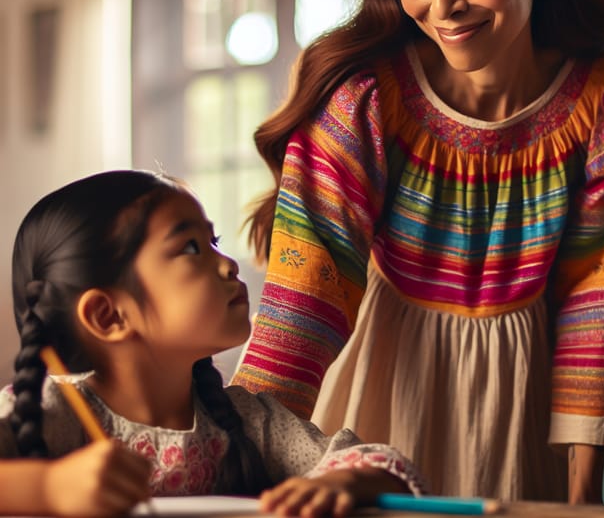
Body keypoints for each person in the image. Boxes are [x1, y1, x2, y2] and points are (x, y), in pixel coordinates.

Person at [232, 0, 604, 505]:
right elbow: (303, 305)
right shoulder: (365, 99)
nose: (441, 4)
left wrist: (585, 496)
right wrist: (238, 473)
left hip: (529, 416)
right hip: (374, 410)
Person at [0, 170, 423, 517]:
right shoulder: (48, 412)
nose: (228, 264)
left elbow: (377, 462)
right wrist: (48, 488)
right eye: (190, 247)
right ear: (109, 315)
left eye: (214, 242)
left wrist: (340, 482)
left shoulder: (248, 420)